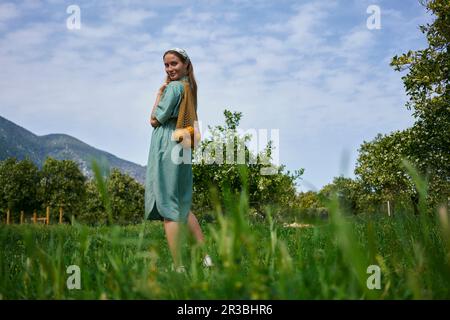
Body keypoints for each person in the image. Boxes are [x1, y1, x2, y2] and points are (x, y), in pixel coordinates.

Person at [145, 48, 212, 273]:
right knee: (182, 204)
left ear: (185, 64)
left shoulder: (173, 88)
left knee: (168, 205)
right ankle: (206, 258)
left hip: (168, 144)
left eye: (174, 63)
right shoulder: (189, 87)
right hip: (182, 145)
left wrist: (157, 95)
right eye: (166, 65)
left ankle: (178, 267)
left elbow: (154, 120)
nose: (170, 68)